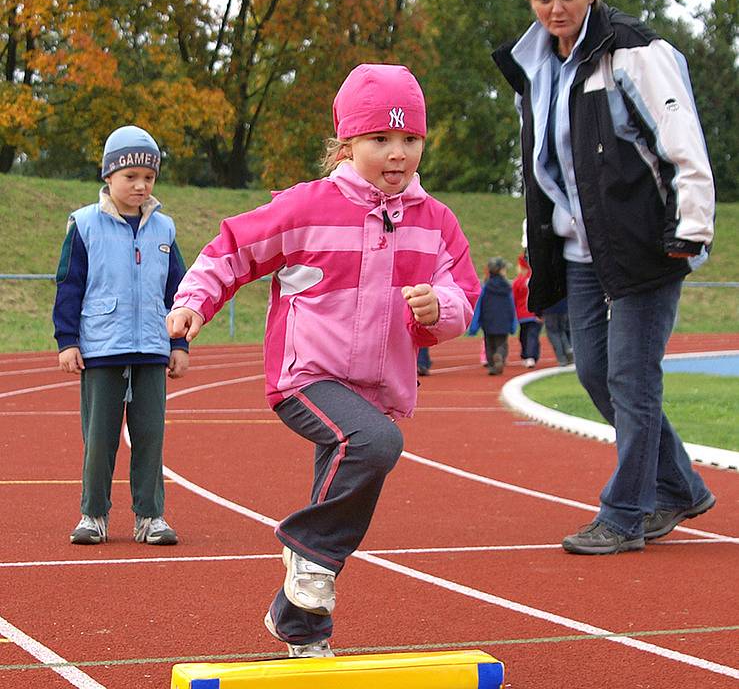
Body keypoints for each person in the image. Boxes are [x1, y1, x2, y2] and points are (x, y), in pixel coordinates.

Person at [166, 64, 479, 656]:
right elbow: (232, 250)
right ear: (346, 143)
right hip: (305, 376)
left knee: (345, 481)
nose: (397, 153)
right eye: (379, 140)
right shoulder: (305, 207)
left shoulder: (436, 222)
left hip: (376, 385)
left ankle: (301, 623)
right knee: (376, 445)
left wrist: (438, 306)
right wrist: (191, 304)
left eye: (409, 139)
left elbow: (463, 295)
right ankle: (304, 549)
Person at [493, 0, 716, 555]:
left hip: (646, 243)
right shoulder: (535, 67)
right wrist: (533, 240)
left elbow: (681, 140)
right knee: (593, 370)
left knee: (632, 378)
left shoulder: (633, 52)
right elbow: (542, 166)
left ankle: (625, 513)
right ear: (532, 1)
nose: (557, 8)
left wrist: (690, 227)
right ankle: (679, 487)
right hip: (578, 248)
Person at [53, 125, 190, 546]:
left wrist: (179, 344)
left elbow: (179, 291)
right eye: (130, 176)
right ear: (108, 176)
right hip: (101, 348)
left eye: (148, 177)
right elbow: (69, 285)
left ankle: (150, 517)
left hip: (151, 347)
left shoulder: (164, 229)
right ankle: (93, 515)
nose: (140, 185)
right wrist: (67, 340)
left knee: (150, 437)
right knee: (99, 439)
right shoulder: (85, 225)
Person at [468, 257, 516, 375]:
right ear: (500, 270)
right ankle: (500, 354)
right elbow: (511, 305)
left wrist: (475, 324)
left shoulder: (485, 287)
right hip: (503, 320)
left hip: (488, 320)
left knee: (489, 344)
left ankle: (492, 366)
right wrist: (513, 323)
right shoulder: (507, 288)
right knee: (502, 342)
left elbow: (479, 305)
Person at [512, 253, 542, 368]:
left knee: (525, 335)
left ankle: (527, 355)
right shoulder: (536, 278)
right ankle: (531, 355)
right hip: (534, 313)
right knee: (532, 335)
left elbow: (514, 297)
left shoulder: (518, 281)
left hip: (523, 315)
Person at [542, 297, 574, 367]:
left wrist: (538, 312)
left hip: (549, 309)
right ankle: (568, 349)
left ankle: (562, 358)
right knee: (562, 331)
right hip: (564, 308)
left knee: (553, 334)